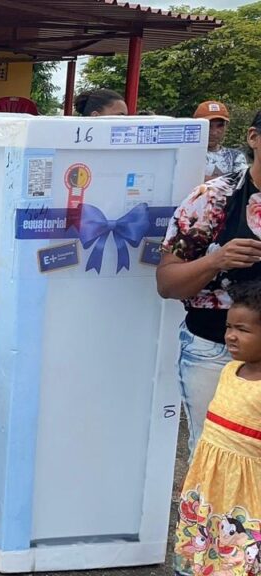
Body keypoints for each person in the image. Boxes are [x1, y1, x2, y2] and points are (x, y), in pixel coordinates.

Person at [157, 110, 261, 457]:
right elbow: (167, 283)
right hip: (216, 349)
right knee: (214, 455)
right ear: (253, 137)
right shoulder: (213, 199)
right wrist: (216, 259)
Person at [172, 281, 261, 576]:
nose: (230, 336)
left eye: (242, 330)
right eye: (229, 327)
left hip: (248, 497)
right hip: (211, 487)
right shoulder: (229, 370)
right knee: (206, 548)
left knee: (239, 559)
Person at [196, 100, 248, 182]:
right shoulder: (184, 155)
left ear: (226, 127)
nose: (214, 132)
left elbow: (242, 183)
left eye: (220, 126)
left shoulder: (236, 157)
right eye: (208, 125)